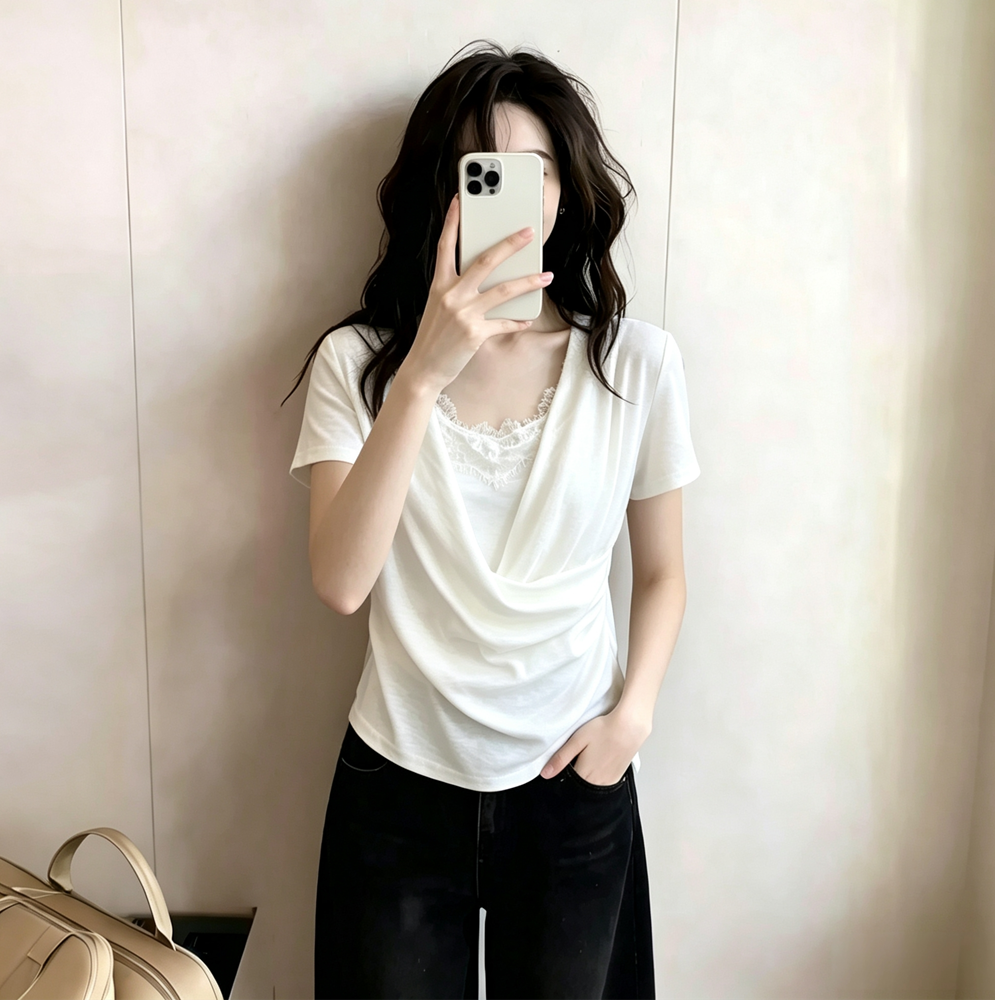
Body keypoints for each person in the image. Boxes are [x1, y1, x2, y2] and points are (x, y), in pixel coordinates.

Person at [284, 40, 700, 1000]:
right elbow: (340, 583)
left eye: (535, 171)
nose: (512, 196)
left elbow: (663, 572)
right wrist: (422, 375)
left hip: (574, 780)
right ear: (444, 192)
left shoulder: (635, 365)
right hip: (398, 783)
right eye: (484, 173)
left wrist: (632, 719)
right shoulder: (359, 365)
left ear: (565, 194)